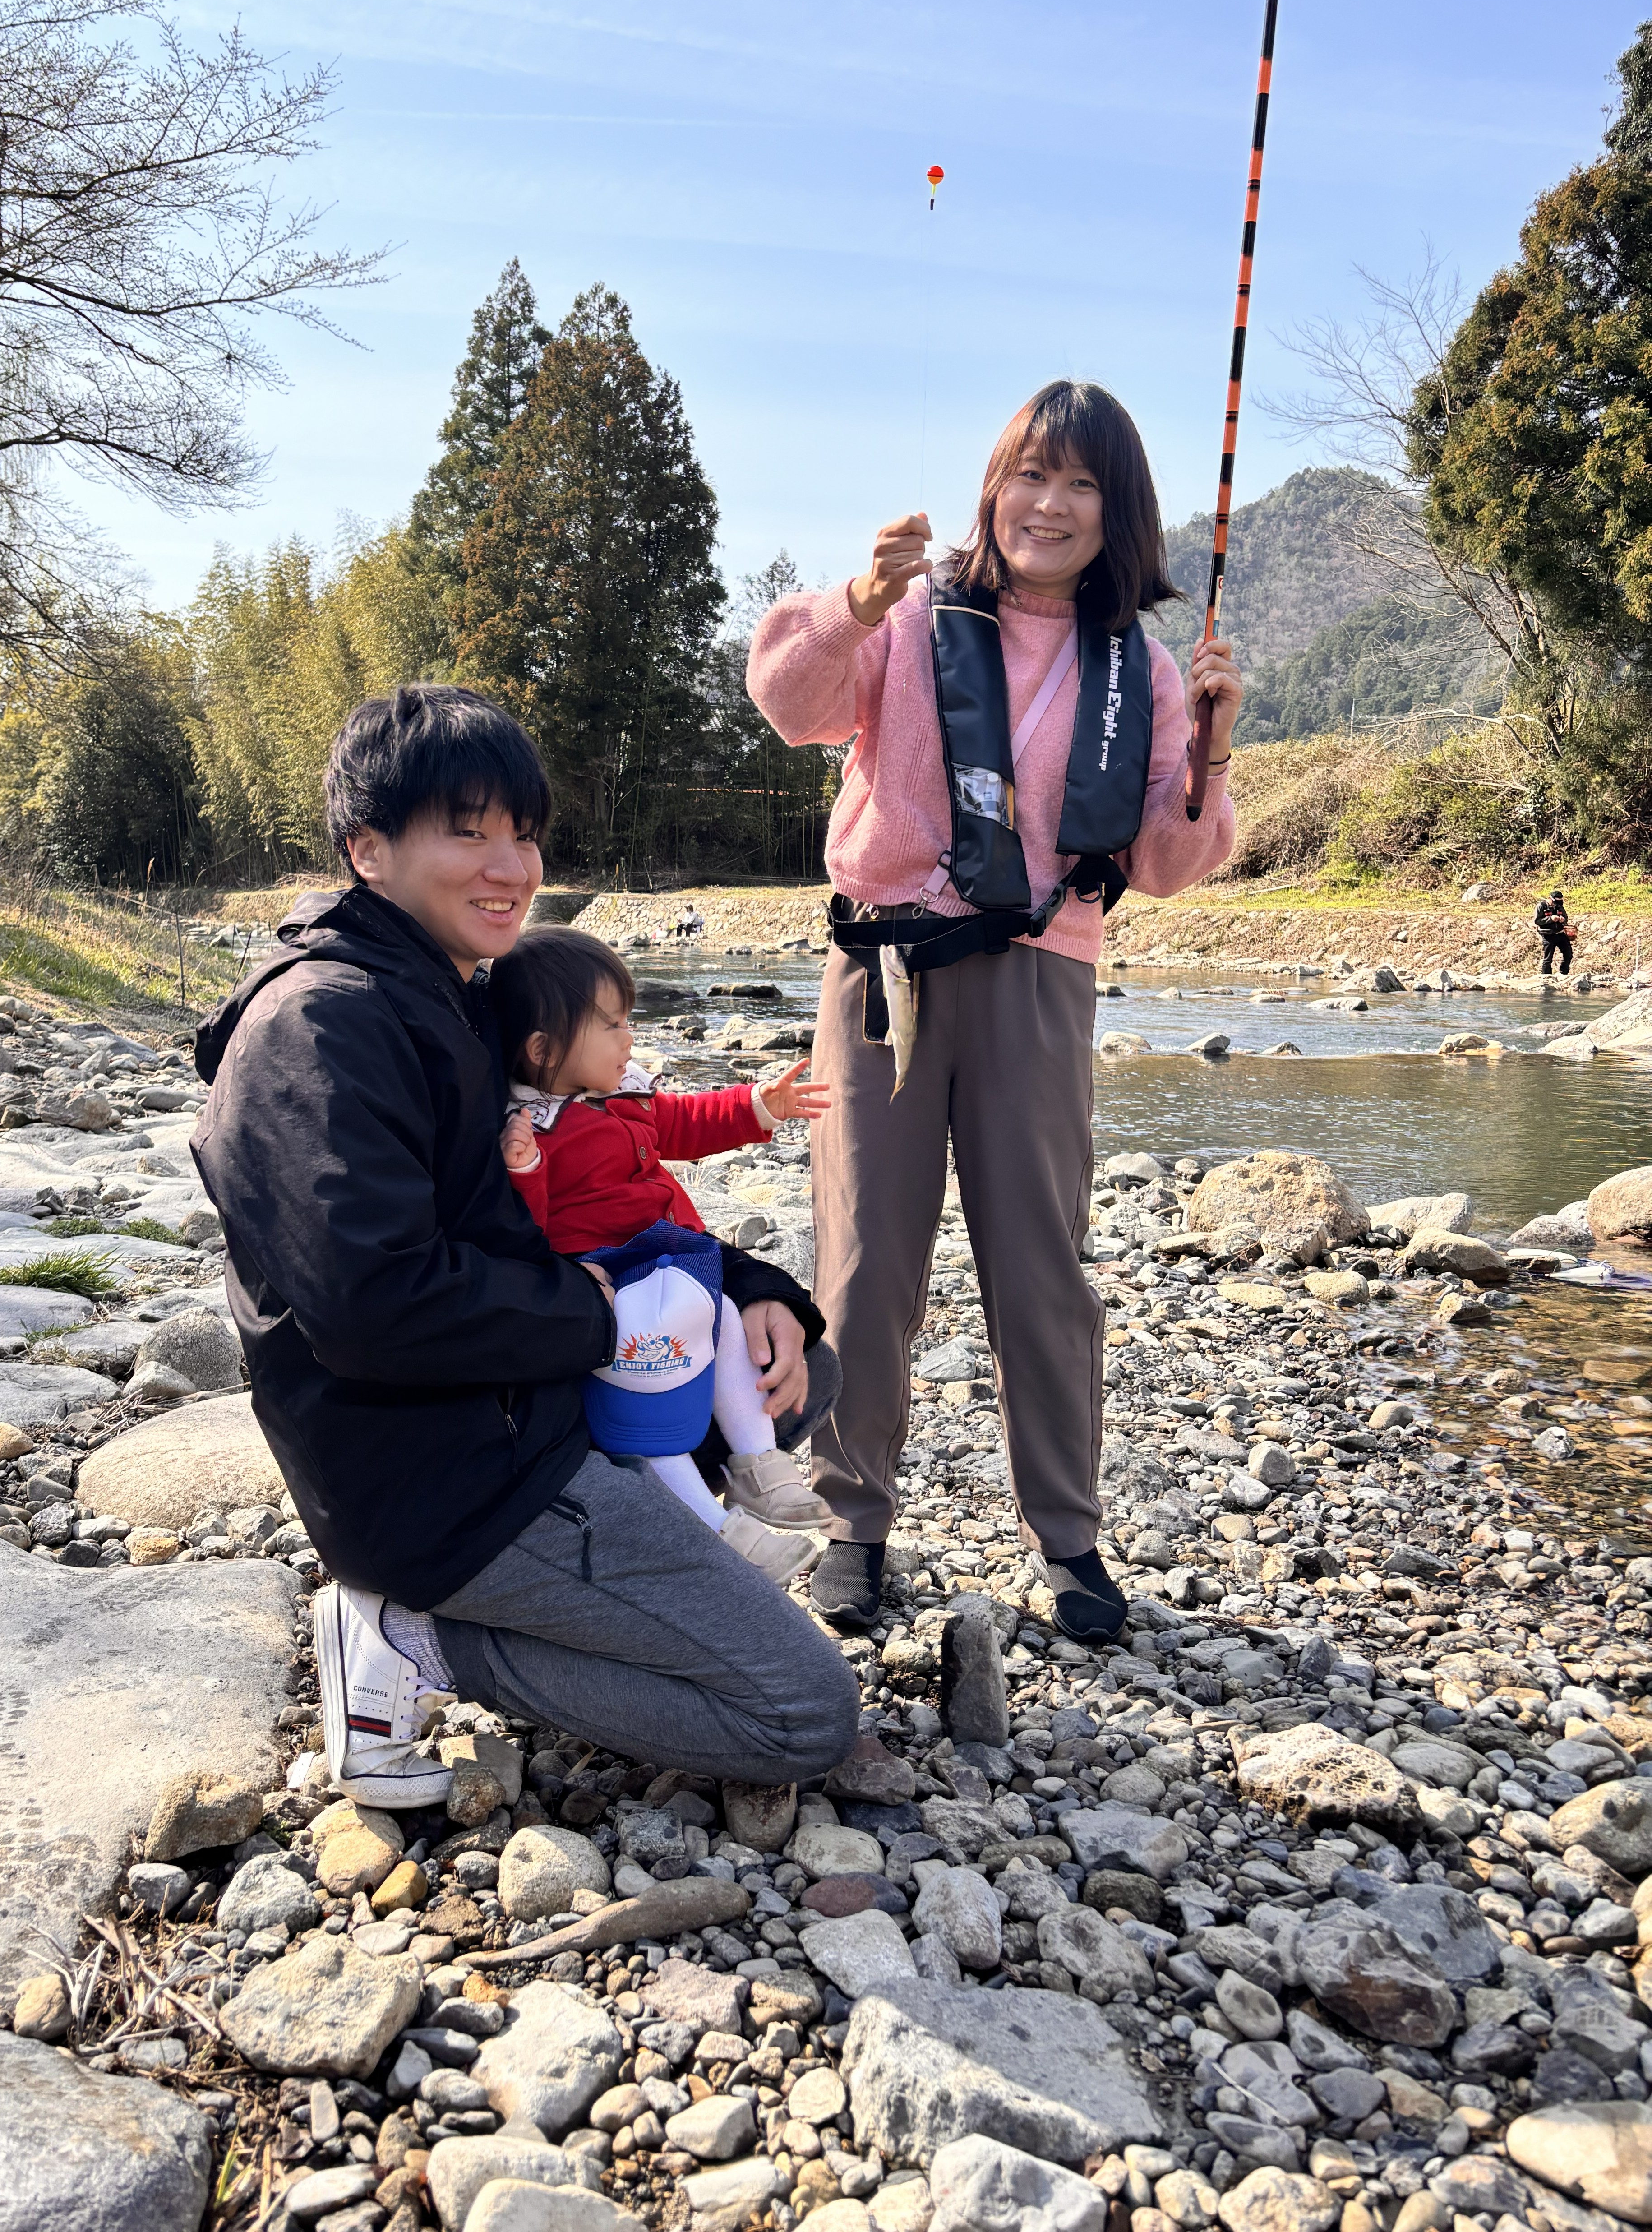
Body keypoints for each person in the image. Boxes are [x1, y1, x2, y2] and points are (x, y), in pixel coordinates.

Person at [191, 684, 858, 1809]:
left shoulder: (464, 994)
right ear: (368, 848)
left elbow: (596, 1180)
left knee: (792, 1362)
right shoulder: (321, 1030)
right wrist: (605, 1320)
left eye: (525, 832)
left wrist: (746, 1287)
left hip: (524, 1401)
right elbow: (375, 1303)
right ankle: (410, 1637)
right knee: (801, 1714)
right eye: (466, 829)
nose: (510, 866)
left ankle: (645, 1563)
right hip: (445, 1477)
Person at [748, 379, 1241, 1640]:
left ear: (1115, 512)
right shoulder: (910, 616)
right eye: (1031, 475)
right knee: (864, 1267)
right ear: (992, 487)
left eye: (1081, 484)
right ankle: (852, 1520)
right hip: (884, 976)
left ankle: (1067, 1541)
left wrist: (1212, 752)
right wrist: (853, 602)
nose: (1050, 504)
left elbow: (1169, 864)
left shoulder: (1144, 666)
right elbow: (791, 703)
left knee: (1043, 1267)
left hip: (1041, 974)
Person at [491, 926, 832, 1584]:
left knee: (728, 1322)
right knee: (650, 1391)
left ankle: (759, 1465)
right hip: (609, 1286)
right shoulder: (533, 1129)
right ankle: (712, 1529)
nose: (630, 1039)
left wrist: (757, 1105)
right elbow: (522, 1232)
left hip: (672, 1264)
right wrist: (525, 1171)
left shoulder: (625, 1095)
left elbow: (685, 1123)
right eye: (614, 1025)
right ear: (543, 1049)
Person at [1535, 890, 1575, 976]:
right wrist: (1551, 919)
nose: (1556, 904)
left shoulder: (1560, 907)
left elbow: (1565, 918)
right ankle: (1546, 976)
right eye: (1555, 902)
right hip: (1548, 935)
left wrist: (1563, 920)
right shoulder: (1541, 907)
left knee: (1568, 954)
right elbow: (1538, 921)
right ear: (1550, 898)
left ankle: (1563, 974)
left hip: (1560, 933)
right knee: (1548, 959)